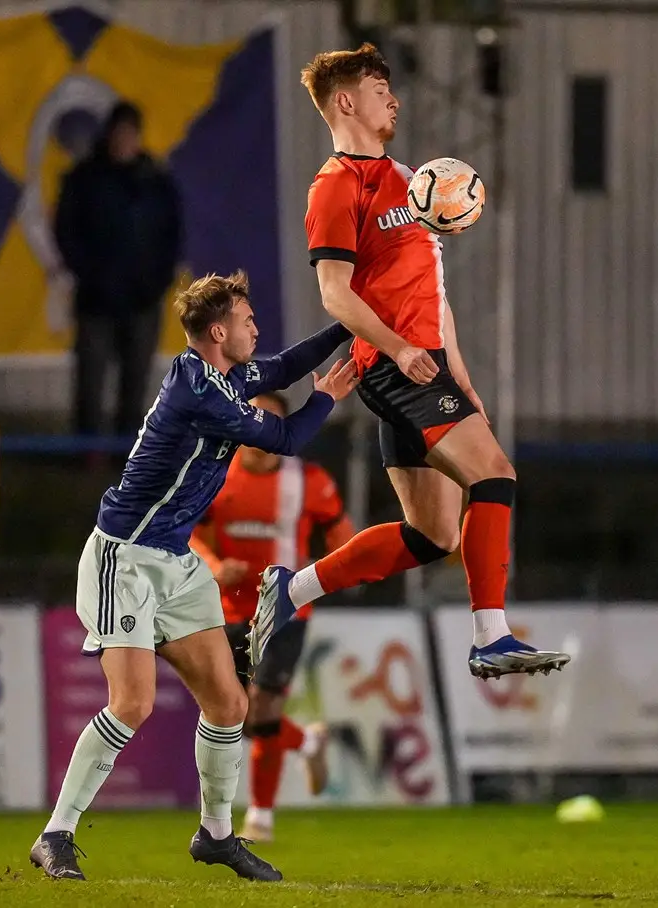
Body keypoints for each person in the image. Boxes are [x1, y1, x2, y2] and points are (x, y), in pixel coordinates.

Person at [249, 43, 568, 681]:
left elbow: (432, 290)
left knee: (432, 535)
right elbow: (335, 292)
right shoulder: (336, 185)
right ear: (345, 102)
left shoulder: (412, 182)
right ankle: (491, 635)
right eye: (377, 88)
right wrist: (398, 348)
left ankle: (292, 591)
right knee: (495, 475)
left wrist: (463, 378)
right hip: (395, 366)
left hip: (425, 367)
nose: (392, 99)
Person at [29, 270, 356, 883]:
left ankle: (217, 834)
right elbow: (285, 435)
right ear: (216, 330)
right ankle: (57, 834)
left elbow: (285, 365)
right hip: (124, 559)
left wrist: (350, 323)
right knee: (132, 704)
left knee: (230, 703)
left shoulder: (225, 378)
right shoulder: (200, 391)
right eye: (246, 318)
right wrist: (329, 397)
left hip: (177, 562)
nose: (255, 326)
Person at [188, 391, 354, 843]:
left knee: (262, 708)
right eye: (252, 421)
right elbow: (190, 539)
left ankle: (260, 817)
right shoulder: (215, 477)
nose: (260, 433)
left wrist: (343, 567)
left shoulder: (310, 481)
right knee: (235, 714)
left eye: (270, 424)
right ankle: (308, 742)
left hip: (286, 611)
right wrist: (217, 569)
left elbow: (345, 541)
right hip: (226, 612)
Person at [55, 101, 184, 446]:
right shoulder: (85, 179)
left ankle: (127, 447)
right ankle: (86, 448)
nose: (123, 140)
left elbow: (172, 237)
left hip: (142, 298)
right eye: (118, 133)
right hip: (96, 299)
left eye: (130, 134)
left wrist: (157, 282)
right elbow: (66, 231)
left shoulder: (157, 182)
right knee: (91, 377)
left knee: (136, 379)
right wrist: (89, 274)